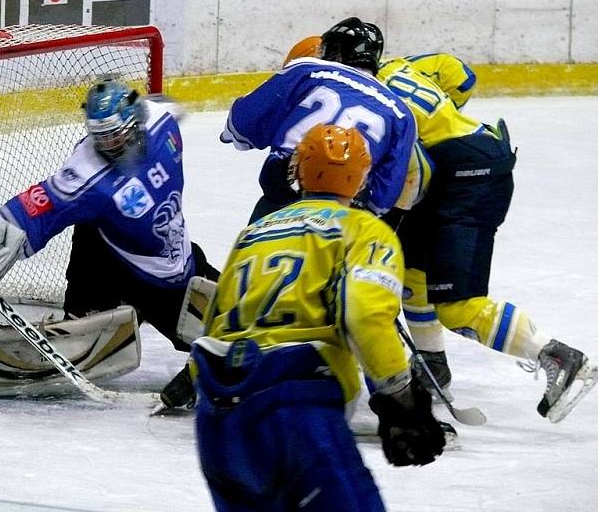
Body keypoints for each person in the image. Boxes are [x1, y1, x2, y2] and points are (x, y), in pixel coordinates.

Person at [191, 124, 445, 511]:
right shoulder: (363, 229)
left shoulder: (254, 233)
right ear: (362, 178)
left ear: (299, 171)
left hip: (218, 421)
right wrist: (401, 399)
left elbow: (211, 320)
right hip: (296, 409)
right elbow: (365, 314)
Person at [0, 79, 219, 400]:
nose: (108, 144)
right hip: (121, 268)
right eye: (101, 137)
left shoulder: (159, 118)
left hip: (179, 264)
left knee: (241, 329)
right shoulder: (85, 173)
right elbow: (31, 209)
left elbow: (165, 104)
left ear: (135, 120)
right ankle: (84, 317)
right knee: (91, 228)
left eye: (115, 134)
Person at [374, 52, 598, 421]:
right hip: (469, 161)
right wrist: (446, 121)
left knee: (458, 305)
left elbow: (414, 175)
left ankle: (558, 356)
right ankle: (434, 370)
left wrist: (384, 220)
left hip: (467, 182)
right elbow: (459, 74)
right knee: (414, 271)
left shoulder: (371, 102)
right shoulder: (397, 65)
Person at [220, 17, 421, 224]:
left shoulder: (307, 69)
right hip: (345, 210)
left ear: (339, 52)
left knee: (260, 252)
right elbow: (383, 198)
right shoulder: (402, 113)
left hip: (284, 193)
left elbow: (241, 126)